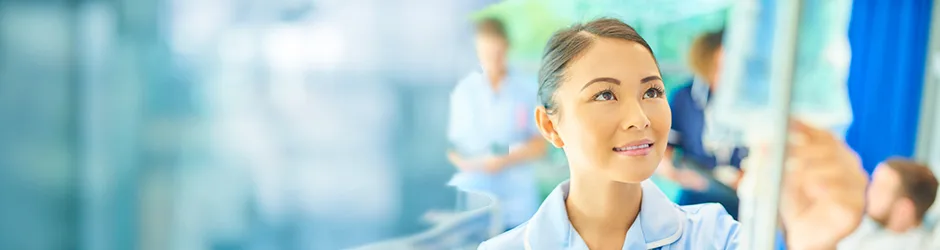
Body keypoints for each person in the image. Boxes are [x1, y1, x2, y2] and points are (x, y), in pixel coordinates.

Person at [478, 18, 867, 250]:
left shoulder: (717, 237)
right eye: (604, 94)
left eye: (651, 91)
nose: (639, 117)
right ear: (550, 125)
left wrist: (816, 243)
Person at [446, 18, 547, 230]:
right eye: (486, 53)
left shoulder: (526, 90)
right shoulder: (464, 92)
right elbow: (452, 150)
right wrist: (475, 164)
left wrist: (506, 158)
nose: (492, 59)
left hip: (518, 204)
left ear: (507, 46)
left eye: (497, 52)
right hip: (475, 201)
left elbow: (540, 145)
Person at [657, 30, 746, 218]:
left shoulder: (756, 102)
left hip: (744, 203)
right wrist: (685, 177)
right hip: (696, 199)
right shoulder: (684, 97)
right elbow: (661, 152)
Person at [838, 158, 938, 249]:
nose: (870, 191)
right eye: (873, 182)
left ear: (904, 209)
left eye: (881, 188)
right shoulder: (869, 227)